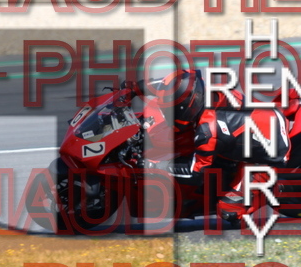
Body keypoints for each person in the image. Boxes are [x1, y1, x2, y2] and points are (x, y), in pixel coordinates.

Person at [123, 69, 290, 222]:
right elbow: (165, 84)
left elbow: (195, 173)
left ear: (184, 108)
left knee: (228, 211)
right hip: (257, 123)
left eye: (171, 110)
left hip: (269, 152)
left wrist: (154, 166)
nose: (168, 114)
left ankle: (272, 190)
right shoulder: (196, 88)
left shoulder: (208, 131)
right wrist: (132, 89)